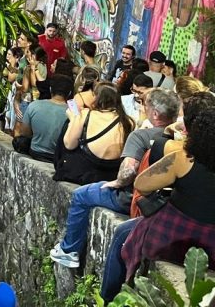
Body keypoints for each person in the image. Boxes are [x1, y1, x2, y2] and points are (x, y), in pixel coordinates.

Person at [51, 88, 180, 268]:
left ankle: (69, 249)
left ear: (155, 114)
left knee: (81, 195)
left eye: (145, 105)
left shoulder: (141, 136)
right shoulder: (180, 139)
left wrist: (117, 183)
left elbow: (128, 170)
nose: (143, 108)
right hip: (166, 205)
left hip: (132, 199)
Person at [120, 107, 215, 281]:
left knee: (122, 232)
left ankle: (109, 295)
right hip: (211, 249)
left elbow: (141, 184)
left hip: (170, 238)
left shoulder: (182, 159)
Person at [16, 74, 74, 161]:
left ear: (50, 89)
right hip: (58, 156)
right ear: (69, 93)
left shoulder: (34, 105)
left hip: (36, 152)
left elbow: (24, 133)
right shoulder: (73, 113)